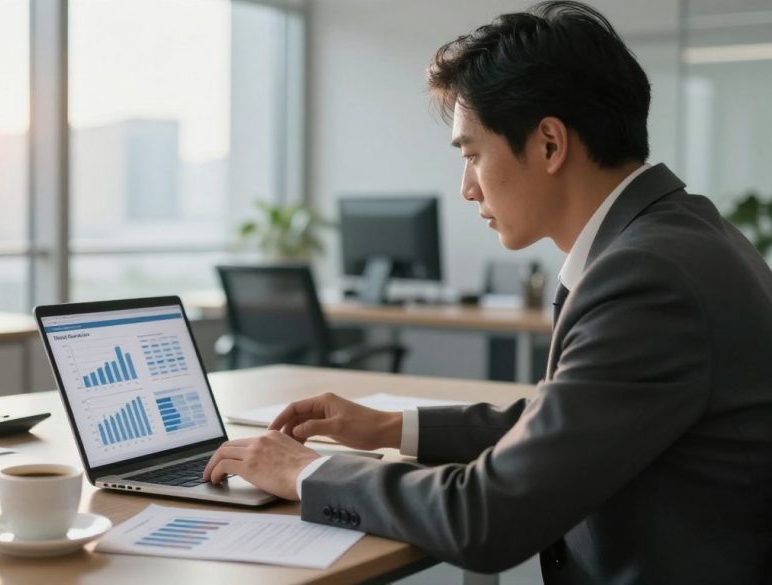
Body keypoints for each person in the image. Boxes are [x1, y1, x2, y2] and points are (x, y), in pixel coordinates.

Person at [203, 1, 772, 583]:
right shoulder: (683, 235)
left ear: (550, 144)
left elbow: (485, 517)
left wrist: (306, 472)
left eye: (473, 154)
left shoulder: (647, 279)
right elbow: (567, 423)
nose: (467, 187)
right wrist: (388, 428)